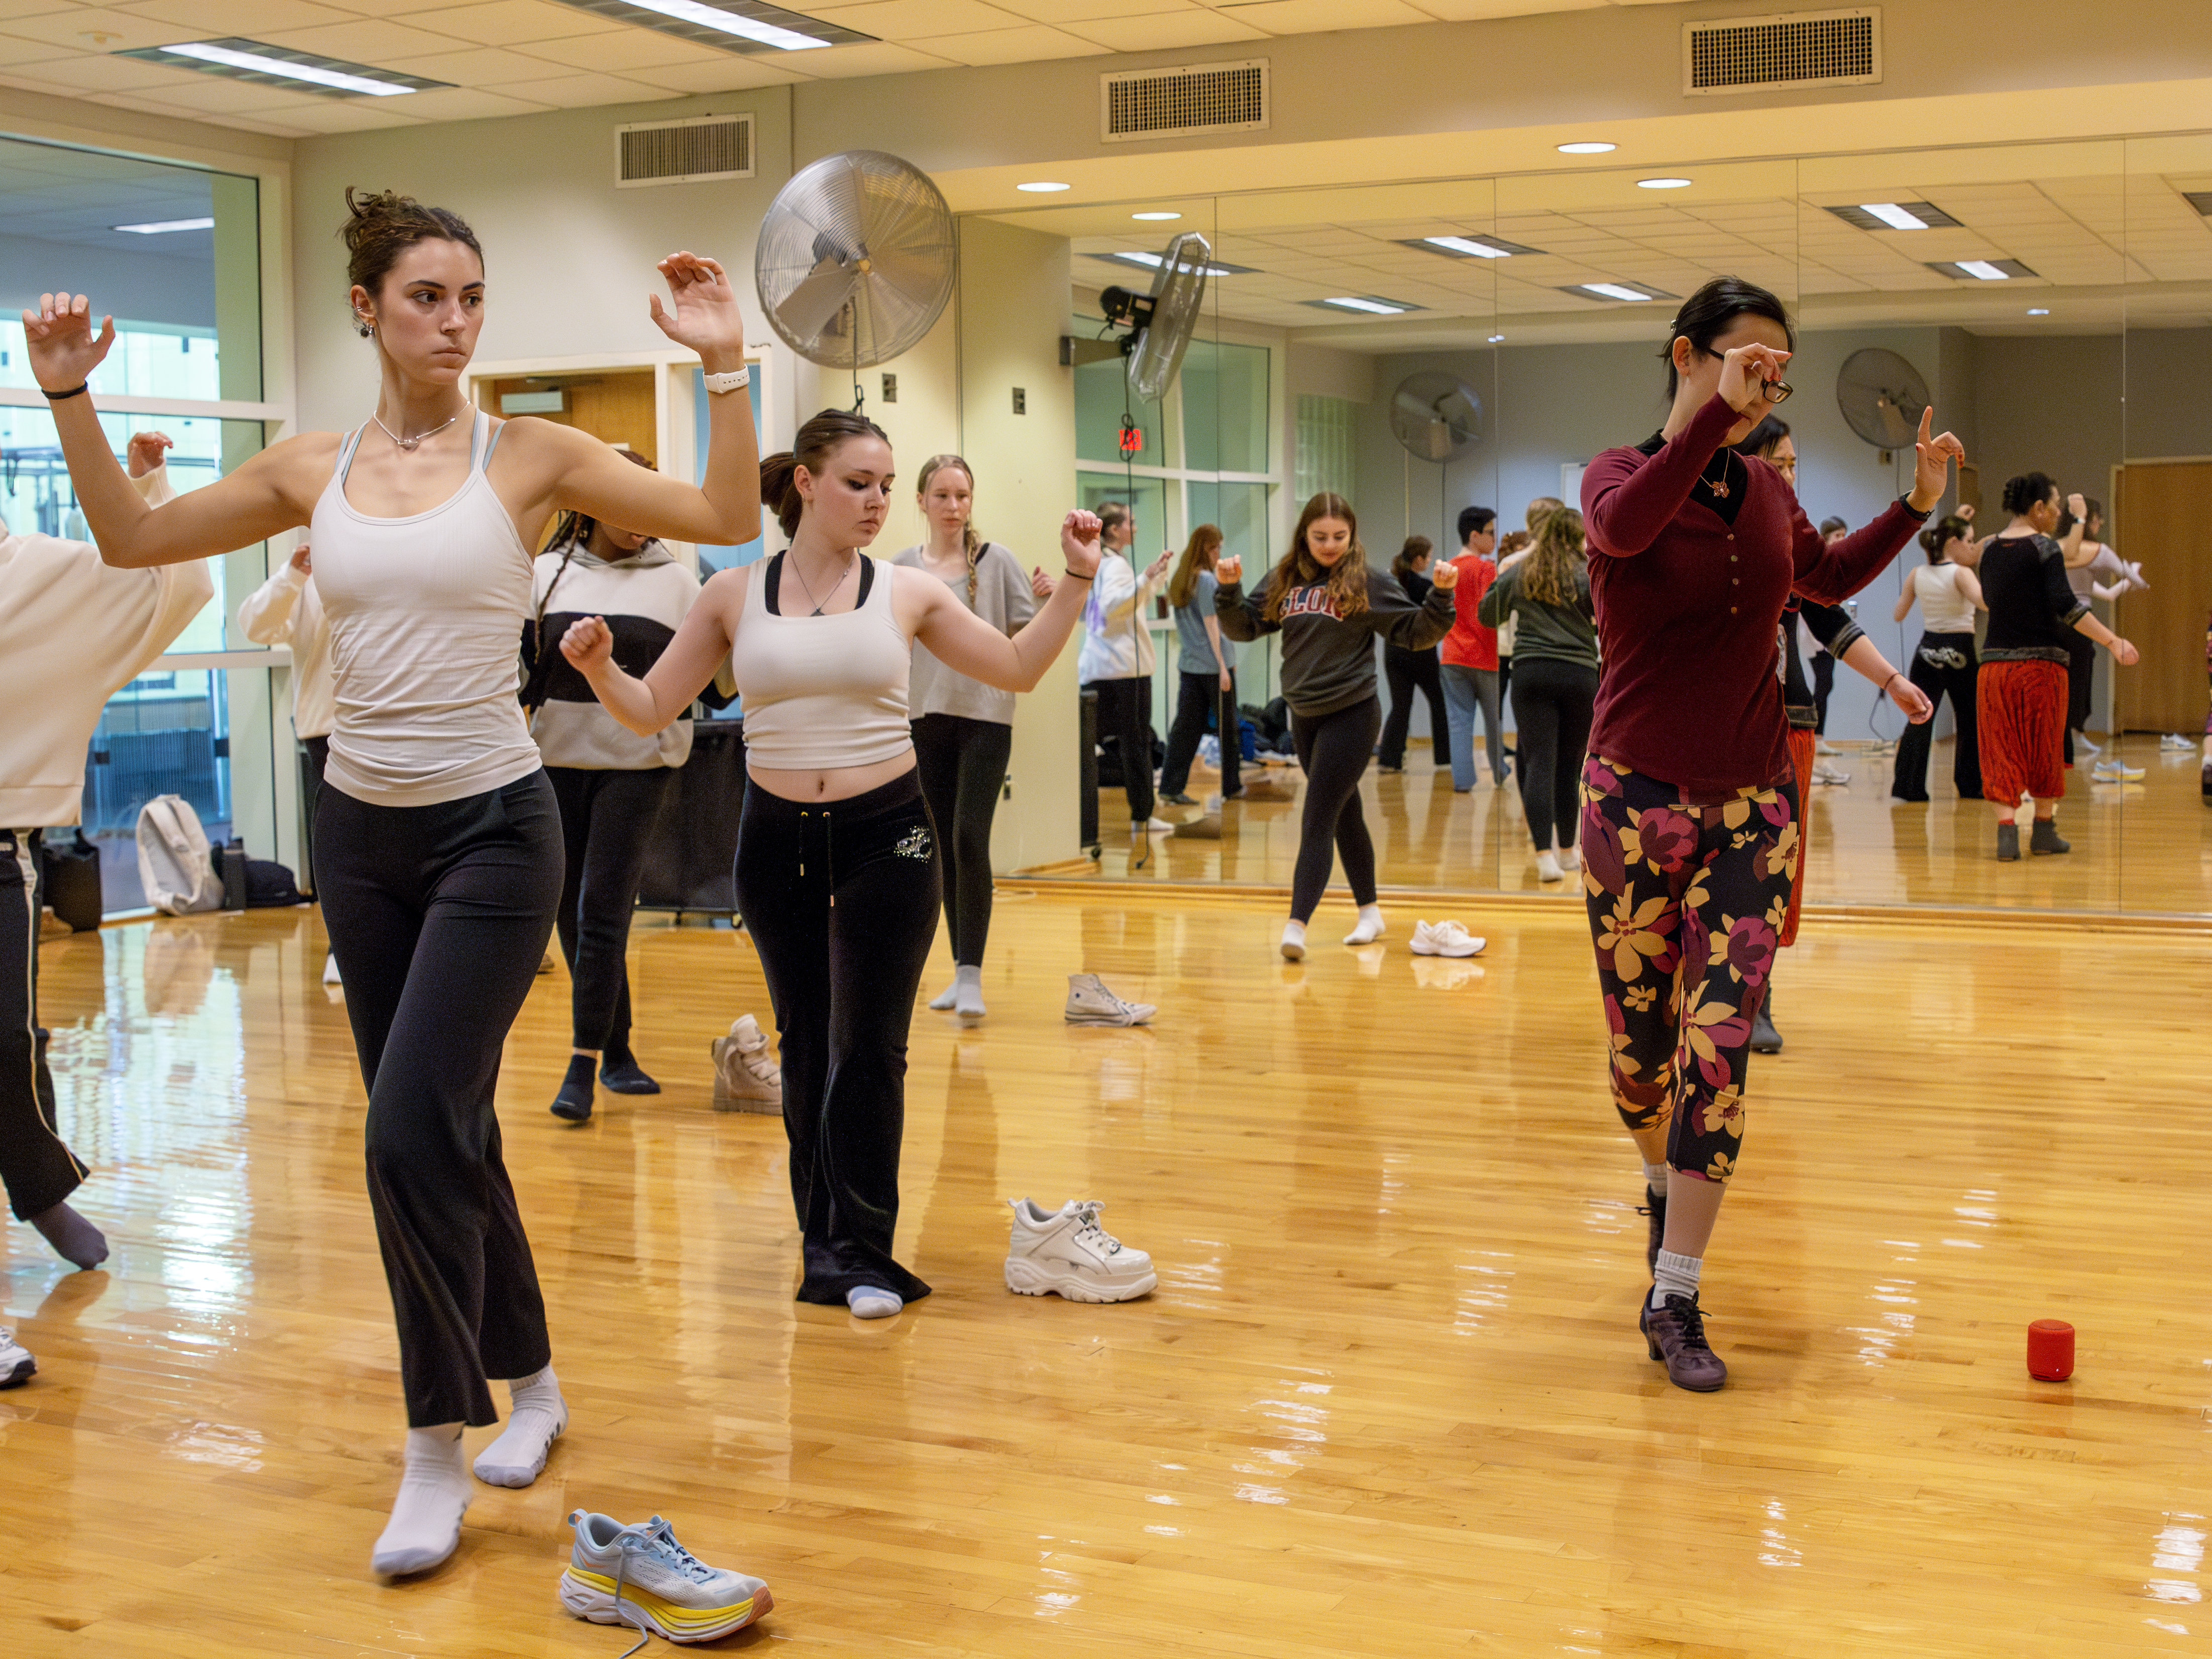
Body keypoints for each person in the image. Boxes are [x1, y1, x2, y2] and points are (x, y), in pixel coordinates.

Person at [24, 187, 763, 1578]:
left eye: (473, 298)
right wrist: (70, 399)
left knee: (404, 1128)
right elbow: (133, 538)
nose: (456, 321)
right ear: (367, 306)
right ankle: (532, 1379)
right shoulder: (314, 468)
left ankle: (436, 1437)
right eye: (428, 296)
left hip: (496, 828)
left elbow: (725, 506)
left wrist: (722, 360)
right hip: (360, 836)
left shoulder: (533, 451)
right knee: (447, 1129)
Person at [562, 409, 1107, 1326]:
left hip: (886, 837)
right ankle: (824, 1244)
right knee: (805, 1043)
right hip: (774, 842)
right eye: (860, 482)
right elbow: (654, 708)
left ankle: (862, 1248)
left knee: (871, 1049)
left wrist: (1078, 580)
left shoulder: (905, 592)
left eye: (886, 484)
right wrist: (604, 670)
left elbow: (1013, 667)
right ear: (806, 485)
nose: (877, 500)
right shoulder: (732, 593)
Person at [1578, 275, 1963, 1392]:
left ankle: (1679, 1290)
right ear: (1689, 353)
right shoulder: (1616, 478)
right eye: (1752, 362)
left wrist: (1915, 504)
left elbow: (1827, 577)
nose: (1767, 384)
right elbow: (1625, 526)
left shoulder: (1761, 489)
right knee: (1640, 1060)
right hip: (1633, 805)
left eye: (1780, 373)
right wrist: (1712, 417)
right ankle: (1658, 1185)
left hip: (1753, 806)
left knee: (1721, 1045)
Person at [0, 429, 204, 1331]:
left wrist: (147, 487)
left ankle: (42, 1185)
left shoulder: (40, 572)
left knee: (8, 1045)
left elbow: (185, 583)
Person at [522, 449, 722, 1123]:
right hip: (553, 762)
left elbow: (718, 685)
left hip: (640, 764)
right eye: (627, 501)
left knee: (603, 907)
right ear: (589, 500)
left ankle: (582, 1061)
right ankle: (618, 1048)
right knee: (568, 912)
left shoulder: (680, 582)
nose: (642, 519)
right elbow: (520, 677)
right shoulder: (543, 576)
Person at [1216, 491, 1456, 960]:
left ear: (1352, 535)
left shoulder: (1366, 581)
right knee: (1346, 813)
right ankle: (1370, 913)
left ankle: (1296, 926)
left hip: (1353, 713)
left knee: (1318, 816)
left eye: (1339, 537)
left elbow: (1415, 631)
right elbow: (1245, 627)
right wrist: (1228, 590)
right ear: (1304, 535)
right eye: (1320, 536)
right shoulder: (1285, 578)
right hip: (1303, 717)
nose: (1329, 545)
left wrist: (1442, 596)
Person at [893, 453, 1053, 1022]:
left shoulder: (996, 561)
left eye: (962, 496)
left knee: (968, 837)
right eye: (942, 495)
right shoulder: (901, 570)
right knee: (937, 847)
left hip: (986, 716)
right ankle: (960, 974)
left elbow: (1022, 639)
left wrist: (1053, 600)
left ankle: (973, 975)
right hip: (923, 717)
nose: (954, 507)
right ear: (921, 501)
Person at [1974, 472, 2139, 861]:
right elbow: (2068, 606)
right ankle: (2044, 831)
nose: (2059, 511)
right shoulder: (2045, 547)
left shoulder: (1990, 549)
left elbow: (1990, 599)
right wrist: (2112, 640)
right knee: (2044, 747)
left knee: (2001, 747)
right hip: (2041, 668)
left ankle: (2007, 834)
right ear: (2038, 509)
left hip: (1993, 667)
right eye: (2057, 505)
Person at [238, 530, 339, 981]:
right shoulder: (309, 577)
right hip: (328, 730)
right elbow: (256, 625)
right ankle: (344, 946)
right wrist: (294, 573)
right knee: (341, 848)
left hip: (395, 725)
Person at [1477, 507, 1596, 884]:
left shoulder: (1519, 571)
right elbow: (1606, 618)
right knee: (1570, 765)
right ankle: (1569, 851)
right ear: (1579, 537)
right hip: (1580, 674)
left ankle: (1544, 856)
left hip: (1531, 673)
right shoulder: (1587, 573)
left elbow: (1486, 615)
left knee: (1540, 762)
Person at [1078, 503, 1172, 845]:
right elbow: (1112, 606)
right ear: (1115, 529)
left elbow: (1130, 604)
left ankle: (1132, 817)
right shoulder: (1114, 564)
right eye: (1131, 522)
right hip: (1121, 672)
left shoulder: (1100, 562)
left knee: (1098, 746)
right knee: (1136, 745)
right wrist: (1146, 577)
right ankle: (1142, 816)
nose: (1136, 526)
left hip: (1104, 668)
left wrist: (1154, 575)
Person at [1890, 514, 1986, 804]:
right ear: (1953, 543)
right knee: (1970, 720)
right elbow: (1984, 603)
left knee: (1919, 717)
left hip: (1927, 651)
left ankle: (1909, 787)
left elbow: (1898, 614)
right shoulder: (1962, 573)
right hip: (1960, 651)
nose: (1971, 548)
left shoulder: (1917, 573)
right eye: (1969, 542)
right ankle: (1970, 786)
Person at [2057, 492, 2150, 783]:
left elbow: (2107, 594)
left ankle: (2067, 745)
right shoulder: (2098, 551)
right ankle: (2073, 737)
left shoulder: (2053, 549)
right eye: (2097, 521)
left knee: (2058, 687)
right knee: (2079, 685)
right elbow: (2138, 583)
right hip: (2081, 626)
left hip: (2051, 627)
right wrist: (2133, 573)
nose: (2099, 526)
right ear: (2088, 522)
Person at [1159, 522, 1242, 805]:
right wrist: (1223, 665)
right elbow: (1212, 624)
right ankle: (1232, 787)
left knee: (1185, 728)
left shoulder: (1182, 578)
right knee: (1228, 728)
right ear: (1208, 548)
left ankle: (1170, 787)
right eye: (1217, 547)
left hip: (1190, 665)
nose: (1220, 552)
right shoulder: (1206, 580)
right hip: (1212, 666)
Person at [1437, 506, 1505, 792]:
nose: (1495, 538)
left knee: (1459, 722)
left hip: (1452, 655)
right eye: (1491, 532)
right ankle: (1500, 773)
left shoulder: (1448, 568)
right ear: (1475, 536)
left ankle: (1463, 781)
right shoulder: (1486, 569)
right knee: (1493, 720)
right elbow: (1492, 612)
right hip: (1483, 656)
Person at [1376, 536, 1449, 775]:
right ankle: (1444, 758)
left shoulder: (1392, 583)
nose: (1429, 561)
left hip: (1393, 652)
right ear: (1418, 559)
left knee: (1400, 707)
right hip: (1420, 652)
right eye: (1428, 557)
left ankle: (1389, 759)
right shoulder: (1426, 587)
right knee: (1439, 702)